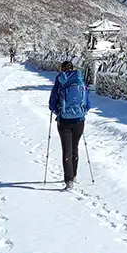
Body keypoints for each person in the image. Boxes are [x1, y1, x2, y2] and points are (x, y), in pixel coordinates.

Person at [48, 61, 89, 190]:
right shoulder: (80, 81)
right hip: (79, 121)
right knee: (75, 147)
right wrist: (81, 112)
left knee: (67, 150)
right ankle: (74, 175)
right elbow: (87, 103)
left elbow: (52, 103)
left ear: (62, 69)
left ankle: (69, 180)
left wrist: (58, 112)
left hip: (64, 121)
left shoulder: (60, 81)